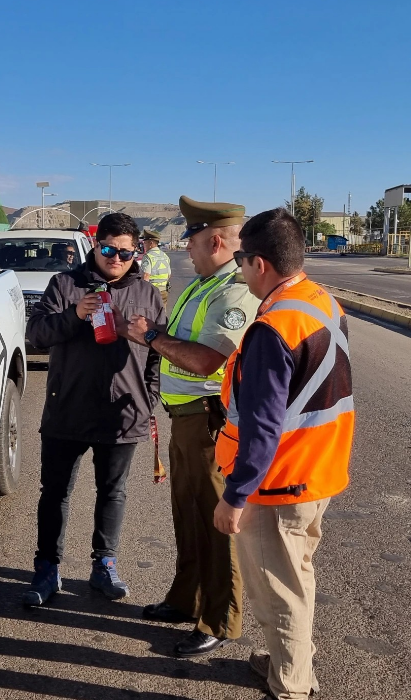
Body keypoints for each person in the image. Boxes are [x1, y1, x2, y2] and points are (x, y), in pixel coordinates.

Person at [212, 207, 355, 700]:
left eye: (240, 262)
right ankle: (287, 659)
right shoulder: (320, 300)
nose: (240, 271)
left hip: (278, 483)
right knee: (297, 577)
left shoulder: (273, 327)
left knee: (279, 590)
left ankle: (291, 685)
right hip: (318, 469)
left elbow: (263, 427)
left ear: (260, 264)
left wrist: (235, 496)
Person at [118, 195, 256, 658]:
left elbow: (206, 360)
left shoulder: (234, 290)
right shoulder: (203, 284)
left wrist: (150, 336)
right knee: (188, 515)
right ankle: (186, 599)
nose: (186, 251)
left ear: (214, 241)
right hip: (185, 420)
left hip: (208, 421)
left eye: (191, 243)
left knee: (216, 522)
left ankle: (219, 618)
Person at [23, 212, 167, 607]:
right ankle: (47, 568)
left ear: (136, 253)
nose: (116, 258)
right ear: (95, 245)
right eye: (108, 249)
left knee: (113, 492)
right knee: (55, 492)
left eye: (125, 252)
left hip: (122, 415)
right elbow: (36, 334)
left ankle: (104, 564)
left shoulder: (147, 294)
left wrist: (148, 398)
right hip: (67, 410)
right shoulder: (65, 285)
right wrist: (75, 314)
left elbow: (158, 354)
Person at [139, 230, 171, 304]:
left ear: (151, 243)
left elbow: (146, 275)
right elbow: (169, 275)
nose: (144, 245)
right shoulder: (165, 255)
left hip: (152, 292)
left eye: (145, 243)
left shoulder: (148, 256)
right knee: (163, 310)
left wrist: (143, 292)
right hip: (163, 291)